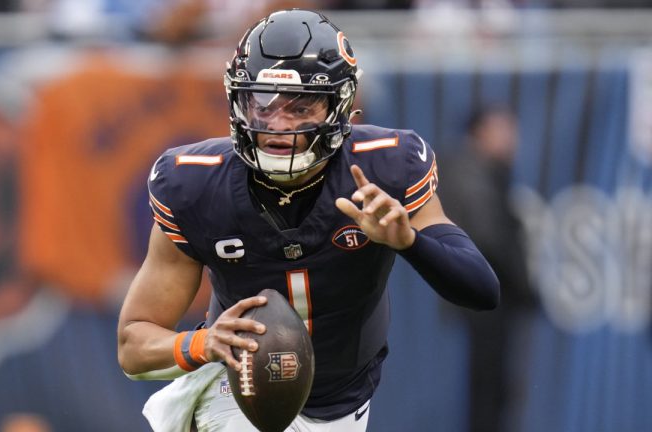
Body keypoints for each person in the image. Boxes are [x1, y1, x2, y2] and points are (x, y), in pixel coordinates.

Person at [117, 9, 499, 431]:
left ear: (343, 105)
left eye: (300, 106)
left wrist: (408, 241)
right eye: (260, 102)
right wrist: (202, 343)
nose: (278, 124)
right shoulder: (195, 184)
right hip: (238, 385)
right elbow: (134, 345)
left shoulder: (387, 168)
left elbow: (482, 289)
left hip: (343, 400)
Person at [439, 105, 538, 432]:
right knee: (487, 391)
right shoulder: (471, 172)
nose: (511, 140)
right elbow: (490, 239)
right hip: (485, 302)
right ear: (479, 132)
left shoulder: (486, 172)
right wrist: (523, 285)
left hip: (486, 299)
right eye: (503, 130)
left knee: (494, 390)